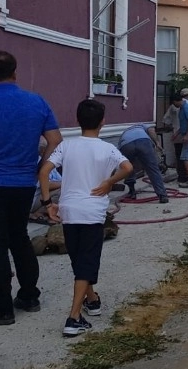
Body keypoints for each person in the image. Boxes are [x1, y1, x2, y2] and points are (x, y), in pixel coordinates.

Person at [40, 99, 132, 337]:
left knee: (79, 259)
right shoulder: (107, 149)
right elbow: (128, 167)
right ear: (103, 121)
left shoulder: (66, 146)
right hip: (92, 213)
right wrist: (109, 182)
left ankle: (92, 300)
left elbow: (44, 171)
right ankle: (73, 318)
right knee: (86, 263)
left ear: (77, 120)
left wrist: (47, 203)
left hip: (69, 211)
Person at [0, 50, 61, 325]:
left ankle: (2, 307)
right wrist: (40, 167)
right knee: (18, 237)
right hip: (22, 182)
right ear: (15, 73)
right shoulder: (36, 102)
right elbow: (54, 139)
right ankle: (30, 296)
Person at [117, 123, 168, 203]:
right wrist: (157, 143)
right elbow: (151, 130)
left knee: (128, 168)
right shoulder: (142, 126)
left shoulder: (125, 133)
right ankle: (162, 196)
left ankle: (132, 192)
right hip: (143, 142)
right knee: (153, 169)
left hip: (126, 144)